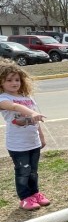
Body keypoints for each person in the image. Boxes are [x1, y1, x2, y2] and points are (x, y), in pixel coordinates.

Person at [0, 60, 50, 210]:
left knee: (33, 171)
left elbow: (35, 121)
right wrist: (32, 113)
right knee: (23, 171)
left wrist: (41, 136)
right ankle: (25, 197)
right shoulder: (3, 98)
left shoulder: (27, 98)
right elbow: (15, 107)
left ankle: (35, 193)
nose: (14, 83)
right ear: (1, 82)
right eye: (9, 80)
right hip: (18, 145)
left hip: (32, 142)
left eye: (17, 79)